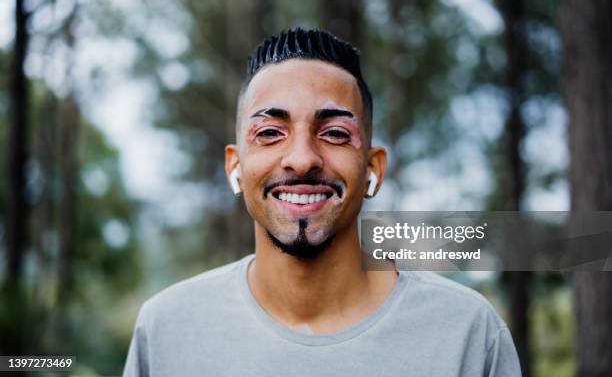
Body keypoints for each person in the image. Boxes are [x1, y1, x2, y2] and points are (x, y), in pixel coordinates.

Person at [123, 27, 522, 377]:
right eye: (269, 133)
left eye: (333, 133)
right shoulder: (166, 330)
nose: (302, 158)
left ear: (373, 169)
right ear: (236, 168)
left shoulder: (467, 333)